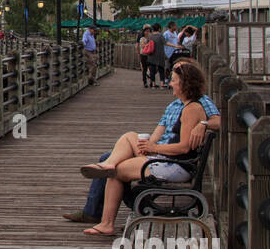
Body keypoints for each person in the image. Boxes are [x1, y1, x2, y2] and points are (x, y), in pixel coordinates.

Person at [72, 61, 215, 235]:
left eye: (174, 80)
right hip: (171, 160)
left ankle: (106, 223)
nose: (170, 83)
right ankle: (107, 165)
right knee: (129, 136)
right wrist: (150, 147)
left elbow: (184, 148)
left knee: (116, 171)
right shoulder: (187, 106)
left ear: (185, 84)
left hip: (176, 166)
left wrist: (154, 147)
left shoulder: (192, 109)